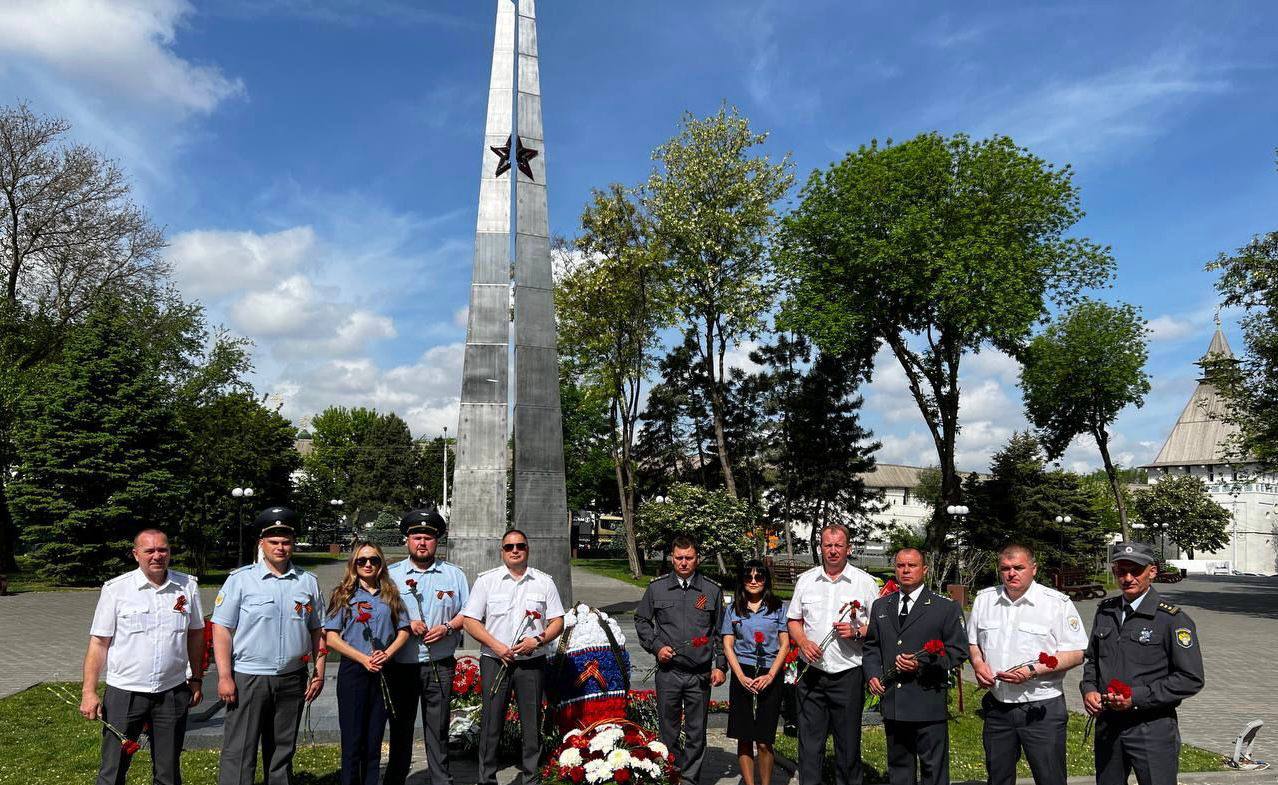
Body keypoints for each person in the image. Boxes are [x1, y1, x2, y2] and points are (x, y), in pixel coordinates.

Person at [212, 507, 327, 785]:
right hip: (250, 677)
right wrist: (225, 676)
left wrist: (319, 671)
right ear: (261, 544)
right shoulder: (240, 580)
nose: (281, 547)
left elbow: (318, 630)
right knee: (240, 751)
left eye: (286, 542)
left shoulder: (307, 582)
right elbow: (221, 629)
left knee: (282, 750)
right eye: (274, 542)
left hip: (291, 677)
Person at [81, 529, 205, 785]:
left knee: (168, 770)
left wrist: (196, 678)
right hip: (125, 692)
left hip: (171, 691)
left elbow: (195, 635)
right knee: (113, 769)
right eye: (149, 551)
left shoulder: (187, 586)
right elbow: (99, 642)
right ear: (136, 554)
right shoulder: (116, 589)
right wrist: (89, 691)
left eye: (163, 550)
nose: (157, 556)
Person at [1081, 542, 1204, 785]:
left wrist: (1136, 697)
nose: (1127, 578)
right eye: (1120, 571)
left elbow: (1191, 678)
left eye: (1135, 571)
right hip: (1109, 724)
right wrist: (1089, 689)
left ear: (1152, 572)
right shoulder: (1106, 611)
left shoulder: (1171, 619)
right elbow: (1092, 660)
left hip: (1151, 727)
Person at [968, 544, 1088, 785]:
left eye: (1019, 567)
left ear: (1034, 569)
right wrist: (978, 664)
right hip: (998, 707)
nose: (1012, 573)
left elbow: (1076, 653)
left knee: (1050, 778)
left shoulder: (1056, 603)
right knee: (998, 777)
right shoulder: (984, 600)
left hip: (1041, 708)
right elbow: (973, 643)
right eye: (1006, 568)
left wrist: (1034, 671)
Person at [461, 529, 566, 785]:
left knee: (532, 725)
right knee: (491, 724)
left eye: (520, 546)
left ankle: (531, 778)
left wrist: (538, 640)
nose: (515, 550)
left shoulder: (543, 582)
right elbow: (470, 621)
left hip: (531, 663)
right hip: (495, 661)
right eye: (509, 547)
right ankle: (486, 779)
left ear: (527, 549)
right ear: (502, 551)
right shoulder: (487, 581)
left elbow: (557, 621)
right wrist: (496, 646)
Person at [785, 524, 880, 785]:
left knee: (848, 746)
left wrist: (858, 631)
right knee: (809, 745)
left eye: (839, 545)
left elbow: (879, 626)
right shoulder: (807, 580)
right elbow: (793, 620)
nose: (833, 551)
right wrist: (803, 642)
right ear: (821, 547)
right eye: (828, 545)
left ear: (848, 548)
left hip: (847, 673)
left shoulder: (865, 583)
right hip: (812, 675)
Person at [865, 548, 968, 785]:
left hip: (927, 703)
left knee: (933, 771)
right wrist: (872, 675)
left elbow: (957, 652)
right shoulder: (882, 606)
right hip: (894, 702)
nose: (906, 570)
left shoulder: (945, 608)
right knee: (899, 769)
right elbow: (871, 646)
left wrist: (921, 665)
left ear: (925, 570)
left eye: (912, 565)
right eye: (901, 565)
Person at [384, 508, 470, 785]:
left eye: (428, 538)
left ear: (437, 542)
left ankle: (440, 779)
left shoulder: (453, 575)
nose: (422, 543)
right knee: (401, 729)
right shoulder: (391, 575)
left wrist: (447, 628)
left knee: (439, 729)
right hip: (402, 665)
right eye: (417, 537)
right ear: (407, 541)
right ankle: (396, 778)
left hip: (440, 663)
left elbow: (467, 613)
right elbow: (380, 611)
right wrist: (407, 623)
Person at [634, 536, 727, 785]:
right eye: (679, 558)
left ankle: (689, 778)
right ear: (672, 558)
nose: (684, 562)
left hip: (699, 674)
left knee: (697, 732)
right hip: (669, 672)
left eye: (689, 558)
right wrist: (656, 647)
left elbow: (721, 631)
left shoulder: (711, 590)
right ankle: (672, 774)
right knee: (668, 729)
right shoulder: (657, 588)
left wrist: (720, 666)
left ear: (697, 559)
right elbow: (642, 621)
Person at [324, 541, 412, 785]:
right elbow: (331, 637)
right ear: (354, 563)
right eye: (362, 560)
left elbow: (403, 630)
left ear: (381, 563)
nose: (368, 564)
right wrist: (362, 657)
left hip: (384, 670)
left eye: (373, 559)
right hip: (355, 670)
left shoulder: (391, 594)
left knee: (374, 739)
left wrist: (388, 653)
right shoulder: (343, 595)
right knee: (353, 740)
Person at [722, 560, 791, 785]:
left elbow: (785, 645)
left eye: (758, 577)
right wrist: (740, 676)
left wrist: (771, 675)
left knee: (763, 739)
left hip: (770, 673)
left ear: (765, 580)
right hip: (743, 672)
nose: (753, 582)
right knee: (744, 736)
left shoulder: (778, 607)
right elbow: (728, 645)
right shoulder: (733, 609)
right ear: (742, 581)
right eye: (748, 577)